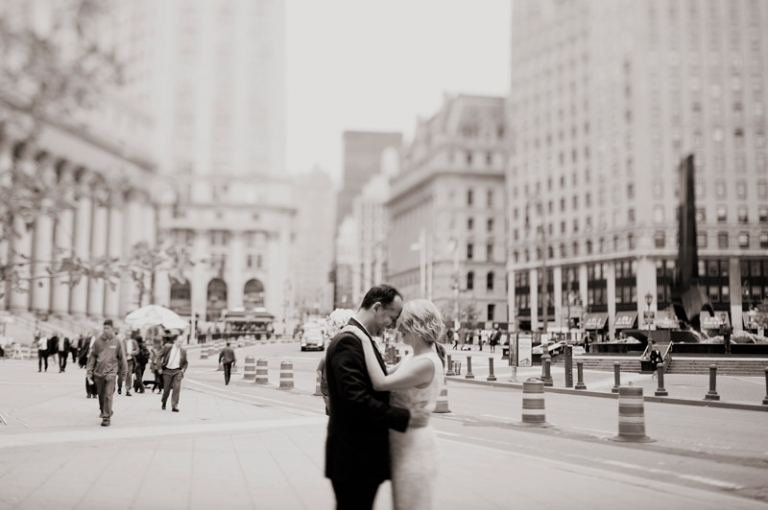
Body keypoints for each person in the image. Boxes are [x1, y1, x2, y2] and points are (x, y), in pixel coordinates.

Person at [325, 284, 427, 510]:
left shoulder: (360, 338)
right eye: (392, 317)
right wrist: (404, 417)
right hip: (353, 459)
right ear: (378, 308)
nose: (392, 325)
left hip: (359, 457)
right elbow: (355, 400)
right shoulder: (349, 342)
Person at [359, 299, 445, 510]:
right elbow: (383, 371)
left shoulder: (426, 363)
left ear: (417, 326)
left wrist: (363, 339)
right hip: (401, 444)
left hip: (416, 447)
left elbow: (381, 383)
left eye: (403, 324)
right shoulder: (412, 357)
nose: (398, 329)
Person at [86, 320, 127, 426]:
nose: (105, 330)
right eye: (104, 328)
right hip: (98, 372)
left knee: (108, 395)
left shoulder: (117, 341)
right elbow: (92, 357)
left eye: (108, 328)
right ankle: (104, 410)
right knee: (101, 395)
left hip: (111, 372)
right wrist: (89, 372)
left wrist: (124, 373)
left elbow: (122, 358)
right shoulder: (98, 341)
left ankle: (106, 418)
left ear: (112, 329)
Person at [159, 333, 188, 412]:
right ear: (175, 341)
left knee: (176, 389)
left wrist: (183, 370)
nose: (180, 343)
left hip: (177, 371)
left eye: (181, 342)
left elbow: (185, 362)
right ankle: (164, 401)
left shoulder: (183, 351)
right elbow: (159, 356)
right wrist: (159, 368)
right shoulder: (167, 347)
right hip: (167, 371)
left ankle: (174, 405)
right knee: (166, 390)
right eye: (179, 341)